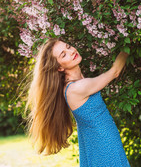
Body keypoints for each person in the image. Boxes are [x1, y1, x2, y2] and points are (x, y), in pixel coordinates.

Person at [25, 37, 131, 167]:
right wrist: (128, 43)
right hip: (103, 142)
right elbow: (114, 72)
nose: (71, 52)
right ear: (59, 68)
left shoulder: (72, 85)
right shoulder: (77, 88)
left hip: (96, 141)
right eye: (63, 55)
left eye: (68, 47)